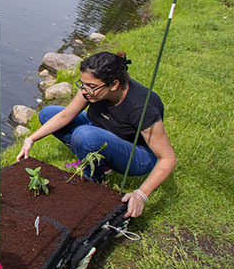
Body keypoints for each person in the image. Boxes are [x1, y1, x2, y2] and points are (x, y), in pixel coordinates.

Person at [16, 51, 177, 218]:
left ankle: (94, 181)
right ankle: (98, 162)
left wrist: (141, 194)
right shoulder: (92, 88)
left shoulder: (141, 107)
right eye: (83, 84)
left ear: (114, 85)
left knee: (85, 135)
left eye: (90, 86)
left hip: (138, 155)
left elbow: (168, 158)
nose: (84, 90)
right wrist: (30, 139)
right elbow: (65, 115)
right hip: (103, 132)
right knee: (48, 113)